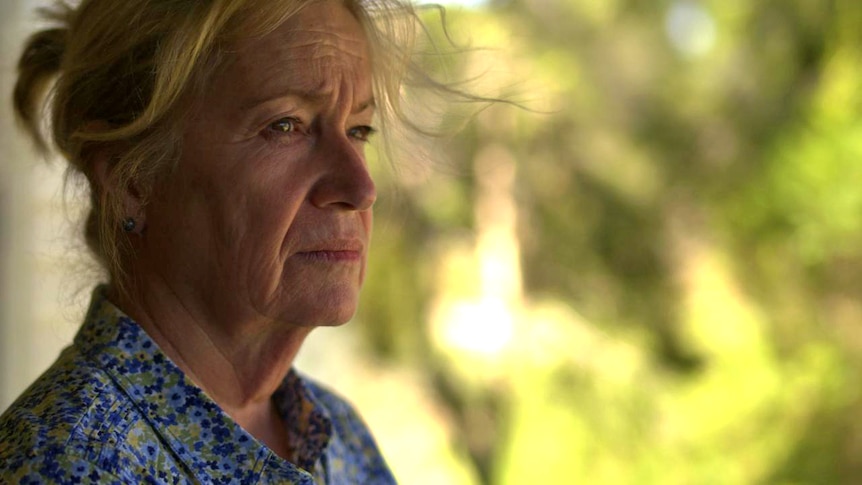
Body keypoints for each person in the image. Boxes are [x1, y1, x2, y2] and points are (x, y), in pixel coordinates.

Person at [0, 0, 439, 482]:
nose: (360, 189)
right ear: (133, 182)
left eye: (359, 130)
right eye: (286, 126)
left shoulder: (339, 438)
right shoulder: (68, 465)